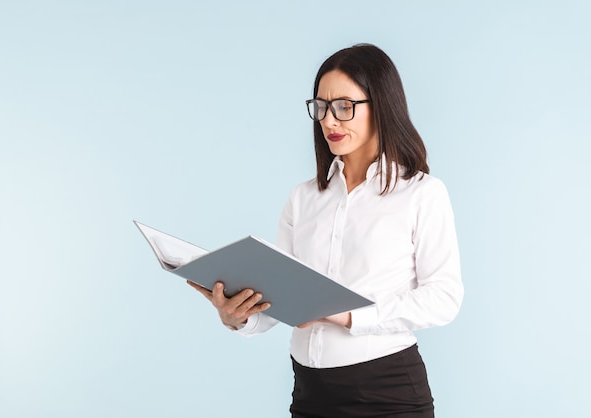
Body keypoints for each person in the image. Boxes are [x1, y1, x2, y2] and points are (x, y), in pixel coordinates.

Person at [187, 43, 464, 418]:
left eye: (344, 107)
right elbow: (281, 298)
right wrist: (239, 317)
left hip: (387, 394)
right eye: (321, 107)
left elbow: (444, 297)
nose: (330, 121)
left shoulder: (421, 194)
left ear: (381, 105)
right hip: (309, 394)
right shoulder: (303, 198)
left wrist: (348, 314)